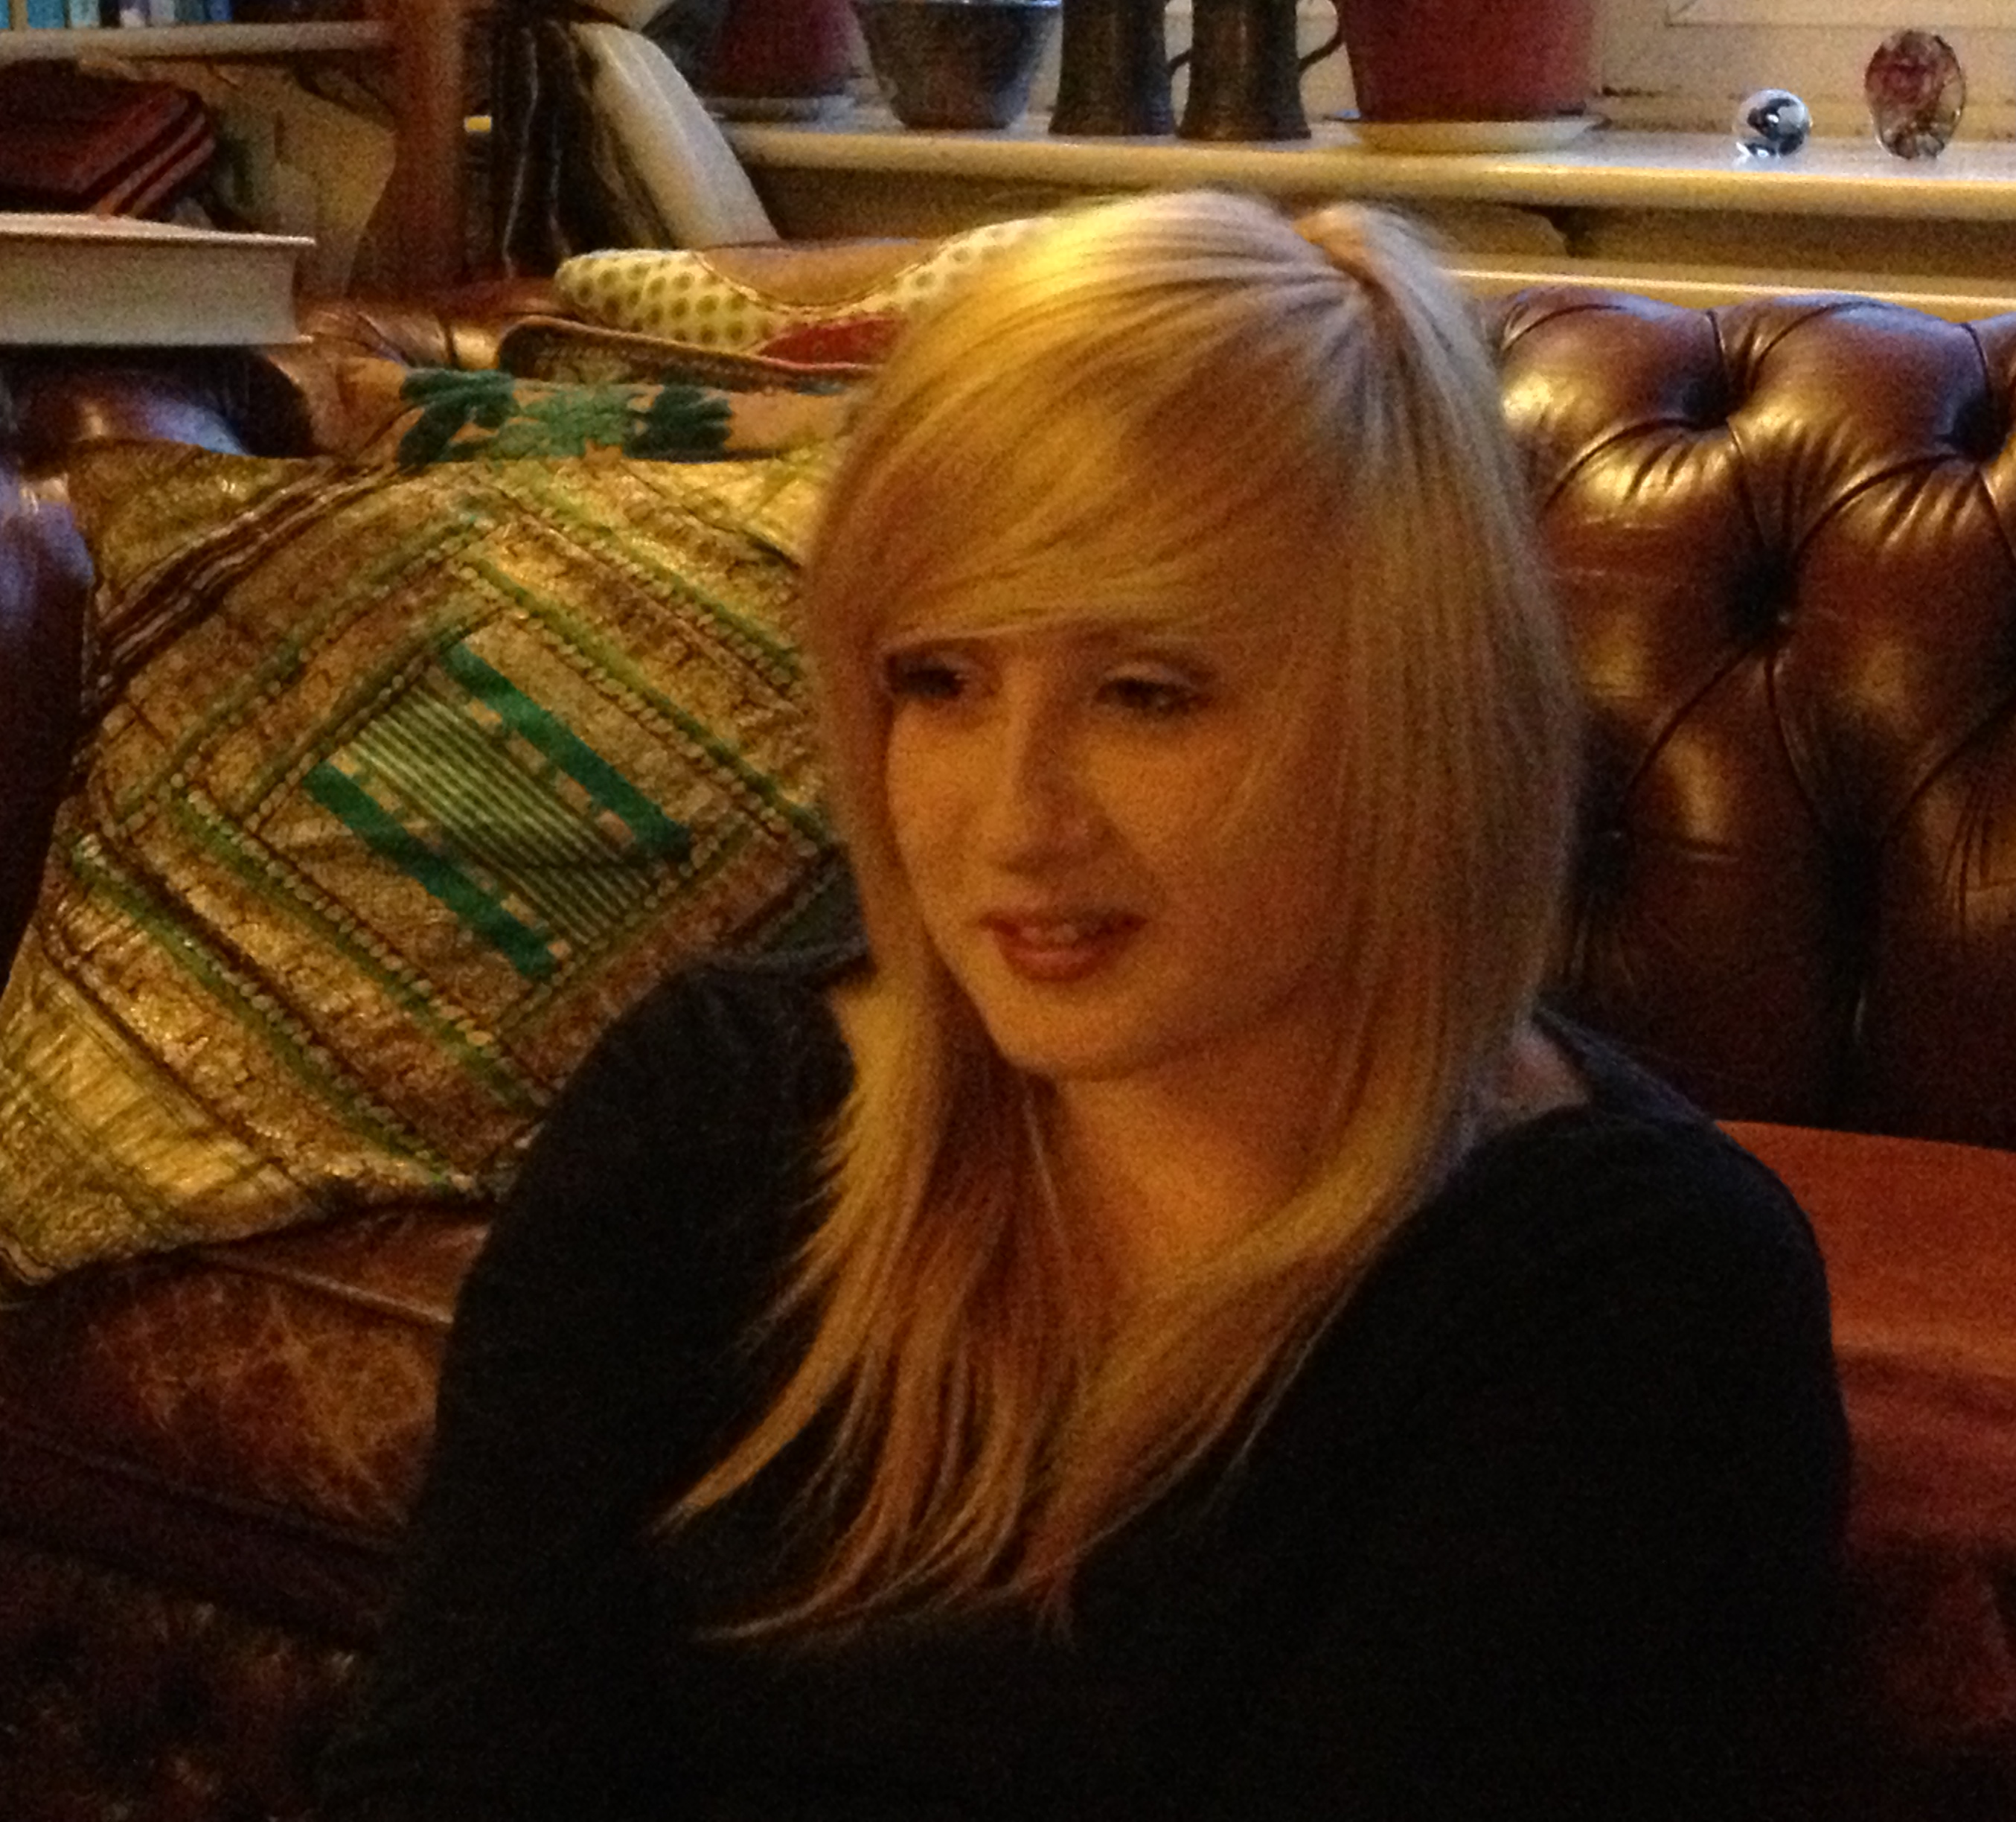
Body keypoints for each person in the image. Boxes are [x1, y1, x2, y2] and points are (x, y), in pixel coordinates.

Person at [321, 190, 1849, 1822]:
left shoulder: (1625, 1297)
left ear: (1406, 712)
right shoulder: (709, 1115)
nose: (1014, 823)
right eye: (941, 681)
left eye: (1145, 693)